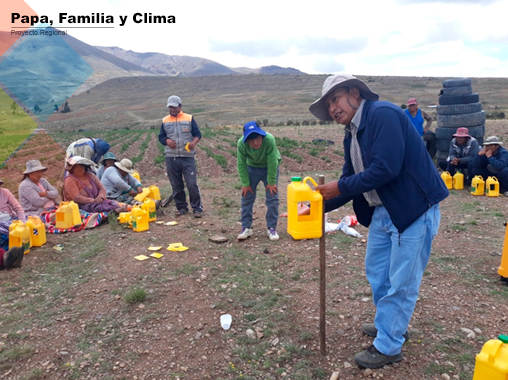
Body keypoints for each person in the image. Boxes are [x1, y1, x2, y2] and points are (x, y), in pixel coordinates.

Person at [309, 74, 448, 369]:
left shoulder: (382, 114)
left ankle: (388, 344)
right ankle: (391, 324)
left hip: (413, 208)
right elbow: (350, 179)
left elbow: (387, 168)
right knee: (378, 275)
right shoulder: (352, 132)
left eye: (335, 98)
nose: (333, 108)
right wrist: (315, 207)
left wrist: (339, 187)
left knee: (402, 281)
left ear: (355, 93)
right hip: (383, 209)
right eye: (328, 104)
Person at [158, 95, 203, 218]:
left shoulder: (189, 118)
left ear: (180, 106)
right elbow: (161, 137)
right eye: (170, 107)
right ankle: (182, 207)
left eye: (174, 107)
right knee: (176, 184)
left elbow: (197, 134)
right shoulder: (165, 120)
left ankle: (197, 208)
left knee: (191, 183)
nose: (172, 109)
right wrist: (166, 140)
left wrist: (194, 142)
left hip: (187, 156)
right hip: (171, 157)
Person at [236, 121, 281, 241]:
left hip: (269, 168)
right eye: (251, 140)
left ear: (261, 135)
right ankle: (246, 227)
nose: (255, 142)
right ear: (246, 140)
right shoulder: (241, 144)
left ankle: (271, 228)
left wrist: (271, 182)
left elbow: (273, 161)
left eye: (257, 138)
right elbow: (241, 164)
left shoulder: (269, 139)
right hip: (252, 168)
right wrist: (245, 184)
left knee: (272, 198)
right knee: (247, 197)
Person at [0, 178, 27, 256]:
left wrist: (22, 224)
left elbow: (18, 208)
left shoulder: (4, 192)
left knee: (32, 221)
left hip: (11, 220)